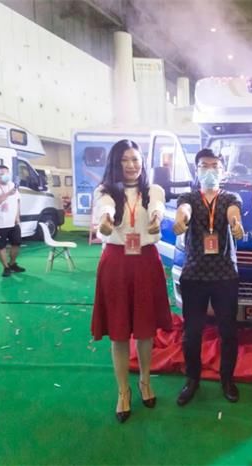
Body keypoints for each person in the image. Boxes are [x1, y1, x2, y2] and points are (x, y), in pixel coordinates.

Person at [91, 139, 173, 423]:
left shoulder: (153, 190)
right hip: (116, 262)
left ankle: (145, 382)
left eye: (135, 159)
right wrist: (105, 220)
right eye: (124, 160)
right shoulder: (105, 191)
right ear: (115, 163)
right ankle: (123, 391)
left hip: (146, 261)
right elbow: (105, 208)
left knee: (146, 330)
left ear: (142, 162)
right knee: (119, 331)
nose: (131, 165)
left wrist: (157, 218)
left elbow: (158, 207)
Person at [173, 148, 244, 406]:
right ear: (197, 169)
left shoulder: (230, 198)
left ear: (223, 171)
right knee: (192, 332)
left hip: (224, 275)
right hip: (194, 274)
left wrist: (236, 224)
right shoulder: (189, 197)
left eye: (215, 165)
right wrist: (180, 220)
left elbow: (233, 213)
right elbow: (184, 211)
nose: (210, 170)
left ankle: (227, 379)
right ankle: (192, 379)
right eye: (204, 165)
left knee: (228, 332)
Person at [0, 165, 25, 277]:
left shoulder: (12, 185)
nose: (5, 176)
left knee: (17, 243)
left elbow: (17, 201)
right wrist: (8, 194)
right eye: (2, 174)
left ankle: (12, 264)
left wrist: (17, 217)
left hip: (13, 223)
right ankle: (6, 267)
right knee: (1, 247)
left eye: (7, 173)